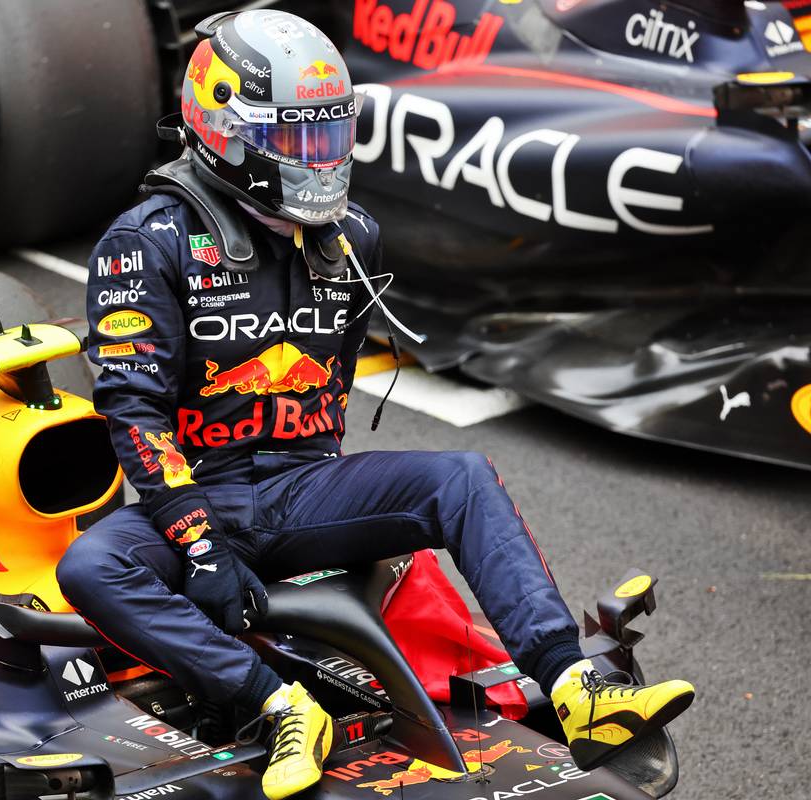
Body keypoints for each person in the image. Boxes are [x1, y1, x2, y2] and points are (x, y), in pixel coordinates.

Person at [56, 10, 694, 799]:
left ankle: (574, 687)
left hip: (299, 488)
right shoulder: (145, 242)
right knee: (89, 565)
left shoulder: (353, 235)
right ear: (227, 132)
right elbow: (135, 418)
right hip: (192, 496)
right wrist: (198, 545)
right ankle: (278, 704)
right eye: (297, 139)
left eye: (328, 136)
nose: (319, 159)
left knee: (459, 476)